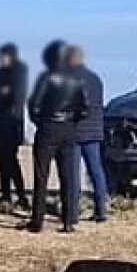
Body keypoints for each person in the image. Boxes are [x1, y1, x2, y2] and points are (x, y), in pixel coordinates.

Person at [27, 39, 89, 233]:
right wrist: (71, 120)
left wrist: (42, 121)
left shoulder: (46, 77)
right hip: (68, 130)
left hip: (48, 128)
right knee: (68, 176)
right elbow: (85, 109)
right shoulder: (76, 79)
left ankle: (38, 220)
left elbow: (34, 106)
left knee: (41, 176)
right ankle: (69, 220)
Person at [65, 44, 110, 222]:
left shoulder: (69, 79)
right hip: (94, 131)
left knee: (73, 173)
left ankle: (73, 211)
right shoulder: (95, 79)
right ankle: (101, 209)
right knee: (96, 170)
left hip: (75, 130)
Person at [0, 42, 29, 209]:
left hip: (11, 123)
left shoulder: (19, 72)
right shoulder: (0, 73)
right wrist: (0, 91)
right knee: (1, 161)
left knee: (11, 162)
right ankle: (6, 194)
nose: (1, 59)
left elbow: (15, 96)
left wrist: (2, 92)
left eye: (4, 56)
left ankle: (21, 195)